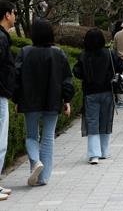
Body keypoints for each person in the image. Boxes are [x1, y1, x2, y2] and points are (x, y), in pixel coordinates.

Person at [13, 18, 75, 187]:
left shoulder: (24, 52)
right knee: (48, 138)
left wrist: (16, 99)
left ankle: (35, 162)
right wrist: (67, 100)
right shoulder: (58, 53)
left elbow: (16, 78)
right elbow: (67, 80)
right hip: (52, 100)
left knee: (32, 135)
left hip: (30, 100)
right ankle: (43, 178)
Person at [72, 28, 123, 164]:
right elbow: (120, 66)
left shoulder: (84, 55)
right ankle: (105, 151)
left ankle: (94, 154)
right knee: (105, 121)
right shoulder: (109, 53)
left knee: (92, 122)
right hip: (107, 91)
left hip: (90, 93)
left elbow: (77, 72)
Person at [0, 1, 17, 199]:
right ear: (6, 15)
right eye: (13, 13)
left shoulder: (3, 37)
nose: (15, 16)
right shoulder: (1, 38)